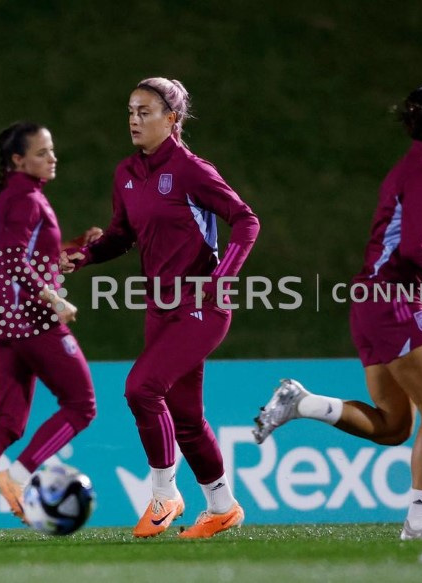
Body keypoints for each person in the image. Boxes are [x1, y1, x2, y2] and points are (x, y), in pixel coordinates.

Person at [254, 87, 422, 541]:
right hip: (393, 304)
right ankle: (418, 524)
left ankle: (303, 402)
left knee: (394, 427)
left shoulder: (405, 170)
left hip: (371, 305)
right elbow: (412, 248)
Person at [61, 77, 259, 538]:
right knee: (186, 417)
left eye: (145, 111)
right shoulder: (126, 173)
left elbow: (246, 220)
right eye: (130, 110)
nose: (134, 119)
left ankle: (165, 493)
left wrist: (223, 275)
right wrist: (84, 256)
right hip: (160, 307)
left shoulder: (192, 170)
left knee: (140, 389)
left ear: (172, 119)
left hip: (203, 304)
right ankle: (223, 507)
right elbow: (120, 235)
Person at [0, 122, 97, 531]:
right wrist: (52, 298)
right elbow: (12, 260)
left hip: (9, 323)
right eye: (43, 152)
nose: (53, 158)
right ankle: (16, 478)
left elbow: (33, 259)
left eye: (52, 151)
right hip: (33, 321)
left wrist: (79, 246)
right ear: (18, 160)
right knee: (82, 406)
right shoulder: (24, 199)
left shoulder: (24, 197)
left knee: (9, 421)